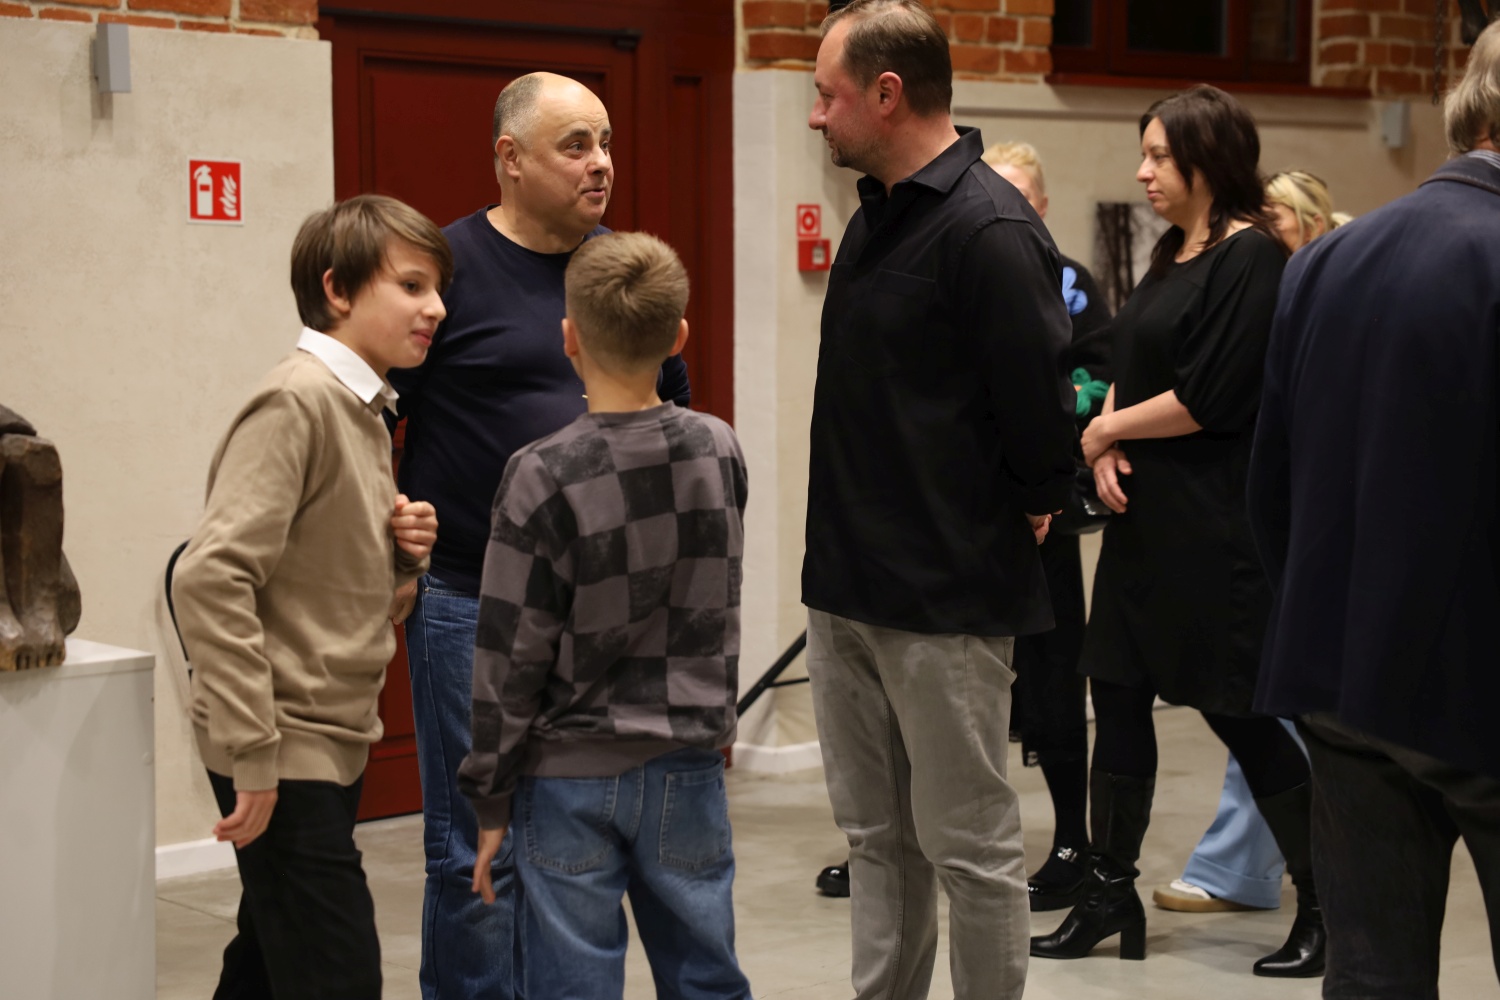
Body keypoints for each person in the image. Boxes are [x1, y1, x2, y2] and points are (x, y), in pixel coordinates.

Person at [388, 72, 690, 999]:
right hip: (470, 601)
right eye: (575, 145)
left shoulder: (621, 269)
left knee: (575, 845)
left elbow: (670, 417)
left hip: (600, 612)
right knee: (475, 850)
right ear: (509, 158)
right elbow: (372, 413)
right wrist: (391, 535)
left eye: (605, 142)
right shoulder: (445, 269)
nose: (601, 163)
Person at [803, 2, 1078, 996]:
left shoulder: (989, 228)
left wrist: (1036, 497)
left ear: (887, 94)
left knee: (969, 846)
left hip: (945, 597)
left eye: (827, 95)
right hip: (846, 588)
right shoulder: (874, 218)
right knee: (877, 838)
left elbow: (1039, 409)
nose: (816, 116)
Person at [1030, 85, 1325, 979]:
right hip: (1145, 527)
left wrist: (1105, 433)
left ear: (1208, 157)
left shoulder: (1251, 256)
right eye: (1144, 153)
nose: (1143, 172)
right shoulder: (1172, 252)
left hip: (1213, 532)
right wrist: (1109, 439)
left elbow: (1211, 396)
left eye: (1159, 155)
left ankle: (1326, 903)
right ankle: (1109, 892)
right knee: (1117, 694)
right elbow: (1133, 361)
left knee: (1240, 715)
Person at [1249, 20, 1500, 997]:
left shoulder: (1328, 260)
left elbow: (1273, 486)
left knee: (1369, 977)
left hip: (1343, 685)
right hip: (1476, 688)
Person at [459, 231, 750, 1000]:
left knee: (572, 985)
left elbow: (508, 652)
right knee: (707, 976)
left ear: (569, 338)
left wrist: (488, 793)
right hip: (688, 759)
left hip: (569, 773)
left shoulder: (542, 472)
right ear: (678, 337)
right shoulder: (718, 449)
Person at [173, 194, 448, 1000]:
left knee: (269, 959)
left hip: (327, 735)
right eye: (412, 285)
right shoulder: (299, 401)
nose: (436, 308)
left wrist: (401, 563)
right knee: (336, 974)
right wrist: (256, 753)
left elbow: (338, 590)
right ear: (338, 290)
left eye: (437, 289)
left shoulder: (363, 409)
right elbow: (209, 577)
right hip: (283, 741)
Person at [1154, 168, 1347, 916]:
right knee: (1265, 700)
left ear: (1309, 226)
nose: (1257, 232)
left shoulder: (1325, 299)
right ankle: (1253, 868)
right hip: (1267, 519)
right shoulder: (1256, 294)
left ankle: (1282, 877)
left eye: (1274, 219)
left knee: (1280, 706)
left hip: (1311, 524)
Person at [983, 139, 1113, 913]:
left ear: (1042, 206)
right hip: (966, 514)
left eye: (1021, 200)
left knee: (1056, 675)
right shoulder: (962, 268)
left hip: (1047, 512)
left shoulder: (1072, 283)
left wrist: (1043, 407)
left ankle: (1072, 843)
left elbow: (1093, 381)